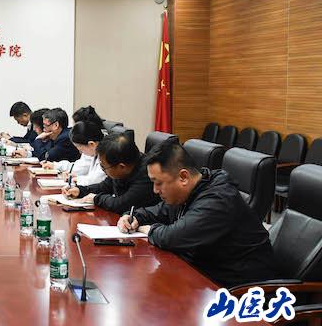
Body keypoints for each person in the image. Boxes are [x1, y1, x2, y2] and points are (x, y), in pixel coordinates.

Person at [118, 140, 277, 287]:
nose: (155, 190)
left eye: (158, 183)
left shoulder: (217, 199)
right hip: (207, 275)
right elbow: (159, 211)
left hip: (240, 289)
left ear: (183, 177)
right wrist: (134, 217)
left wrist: (149, 229)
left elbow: (173, 237)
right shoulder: (192, 190)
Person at [62, 132, 159, 214]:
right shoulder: (124, 165)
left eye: (104, 167)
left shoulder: (147, 174)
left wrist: (96, 199)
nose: (103, 170)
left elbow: (122, 204)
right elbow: (105, 186)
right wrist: (80, 191)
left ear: (121, 167)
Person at [43, 121, 105, 186]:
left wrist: (75, 179)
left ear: (91, 144)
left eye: (81, 149)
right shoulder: (94, 150)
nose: (80, 152)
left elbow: (95, 180)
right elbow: (79, 167)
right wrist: (74, 176)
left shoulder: (106, 155)